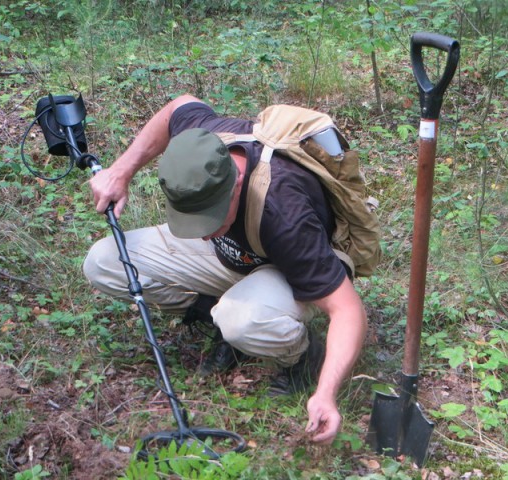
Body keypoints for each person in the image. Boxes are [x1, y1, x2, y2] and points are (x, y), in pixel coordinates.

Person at [83, 94, 367, 445]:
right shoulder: (204, 141)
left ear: (235, 185)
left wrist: (326, 393)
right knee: (105, 261)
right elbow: (178, 106)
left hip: (284, 266)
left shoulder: (284, 212)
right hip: (237, 255)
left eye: (212, 219)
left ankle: (301, 356)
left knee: (242, 321)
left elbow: (347, 309)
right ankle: (218, 318)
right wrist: (121, 170)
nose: (202, 233)